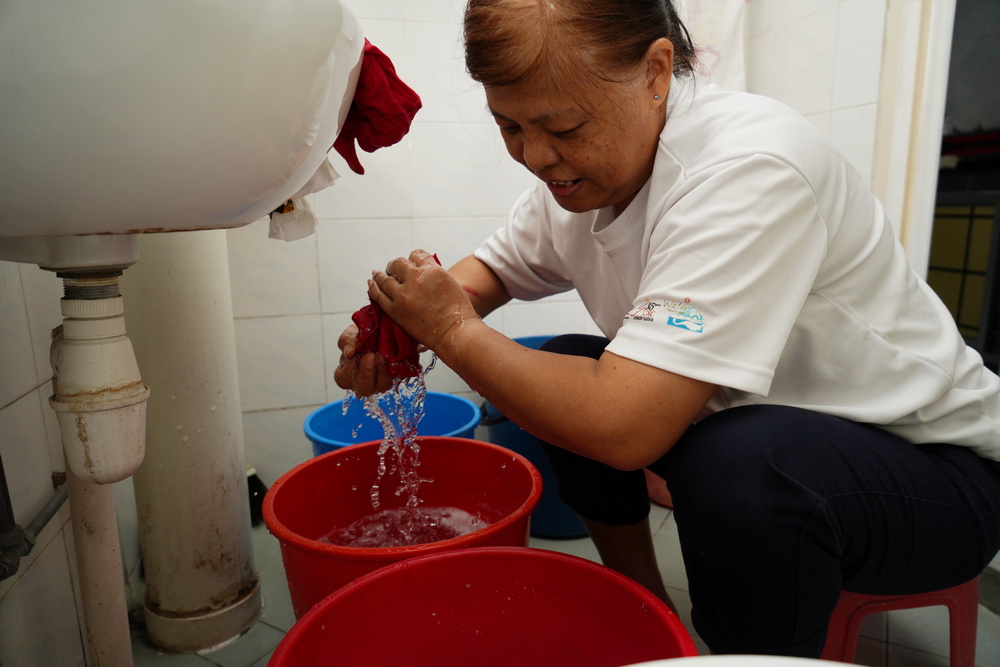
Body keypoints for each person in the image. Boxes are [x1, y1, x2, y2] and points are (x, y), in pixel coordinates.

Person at [335, 0, 1000, 657]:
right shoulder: (576, 182)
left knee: (735, 464)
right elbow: (487, 274)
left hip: (938, 472)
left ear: (656, 73)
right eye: (509, 126)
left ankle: (754, 661)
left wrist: (449, 327)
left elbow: (625, 427)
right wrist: (403, 325)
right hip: (778, 434)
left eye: (561, 125)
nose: (536, 156)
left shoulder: (748, 167)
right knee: (565, 364)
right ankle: (645, 609)